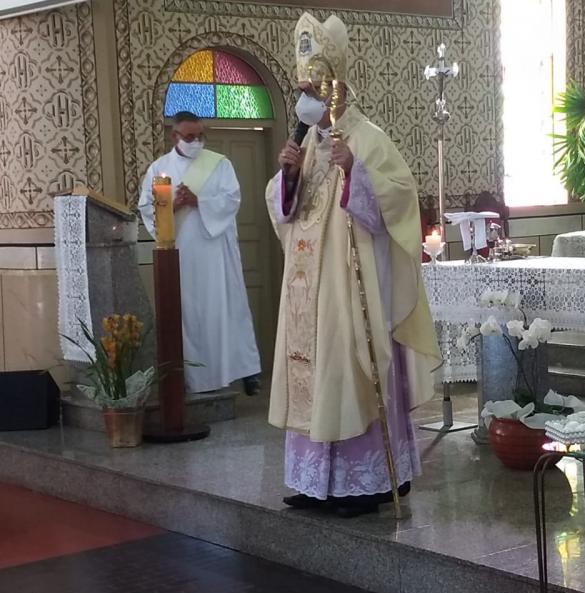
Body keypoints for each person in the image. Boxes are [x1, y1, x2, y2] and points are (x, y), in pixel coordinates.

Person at [265, 13, 441, 518]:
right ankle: (314, 482)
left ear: (334, 88)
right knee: (313, 375)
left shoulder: (367, 138)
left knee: (349, 371)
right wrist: (287, 177)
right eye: (300, 90)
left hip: (351, 288)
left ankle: (365, 484)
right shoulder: (307, 146)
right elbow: (285, 212)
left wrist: (356, 173)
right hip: (308, 293)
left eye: (311, 89)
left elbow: (402, 200)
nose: (304, 98)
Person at [139, 111, 262, 396]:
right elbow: (146, 209)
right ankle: (194, 378)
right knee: (189, 315)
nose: (196, 141)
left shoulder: (219, 164)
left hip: (215, 250)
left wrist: (199, 201)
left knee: (226, 310)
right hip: (181, 254)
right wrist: (175, 204)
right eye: (190, 137)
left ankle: (242, 372)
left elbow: (232, 199)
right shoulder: (159, 169)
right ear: (175, 136)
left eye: (200, 135)